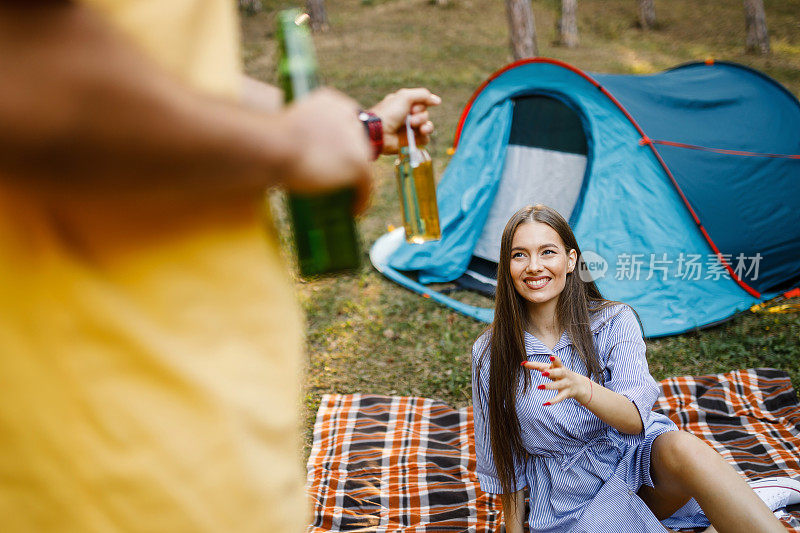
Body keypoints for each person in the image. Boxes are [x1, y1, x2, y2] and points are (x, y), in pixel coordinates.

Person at [0, 2, 438, 531]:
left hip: (190, 439)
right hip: (115, 453)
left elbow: (169, 74)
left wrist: (349, 129)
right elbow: (25, 71)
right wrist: (291, 144)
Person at [471, 205, 796, 533]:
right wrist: (512, 528)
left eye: (548, 252)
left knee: (684, 447)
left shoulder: (613, 321)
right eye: (519, 255)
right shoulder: (489, 353)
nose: (535, 266)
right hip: (573, 499)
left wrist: (585, 389)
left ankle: (738, 502)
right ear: (507, 266)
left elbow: (633, 420)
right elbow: (501, 453)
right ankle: (750, 500)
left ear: (570, 260)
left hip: (637, 464)